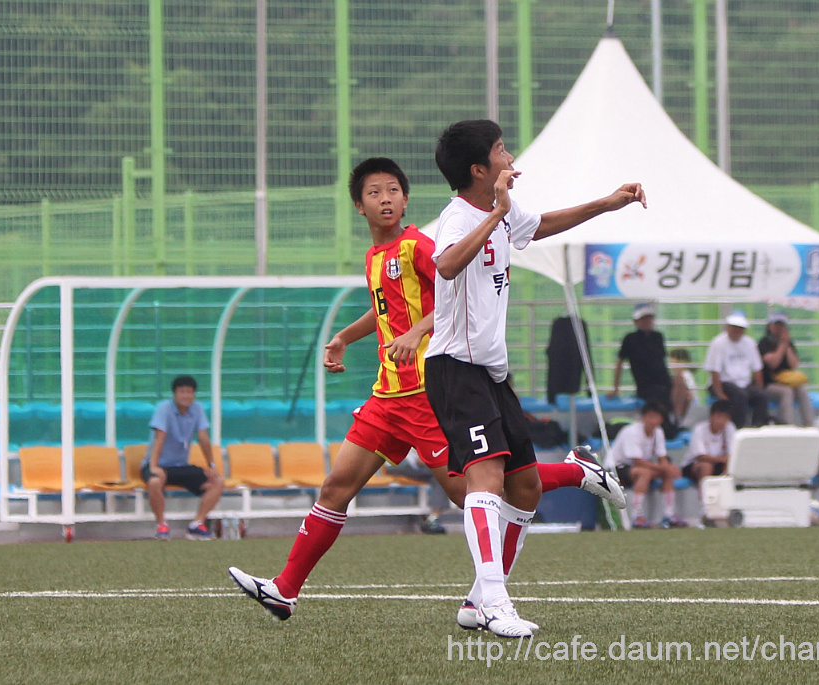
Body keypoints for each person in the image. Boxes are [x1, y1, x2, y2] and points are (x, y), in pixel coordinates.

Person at [227, 157, 626, 625]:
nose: (385, 199)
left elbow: (452, 300)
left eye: (393, 190)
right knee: (336, 487)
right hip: (386, 398)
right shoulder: (375, 257)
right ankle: (285, 590)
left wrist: (416, 332)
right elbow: (384, 310)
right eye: (374, 193)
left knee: (471, 491)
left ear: (406, 199)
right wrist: (344, 337)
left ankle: (575, 471)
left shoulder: (419, 247)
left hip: (426, 392)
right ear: (359, 206)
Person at [424, 119, 645, 638]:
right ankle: (497, 604)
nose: (511, 157)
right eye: (502, 150)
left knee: (524, 487)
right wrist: (497, 213)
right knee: (485, 480)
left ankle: (479, 601)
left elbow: (538, 225)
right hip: (455, 368)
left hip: (492, 372)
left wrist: (605, 203)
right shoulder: (459, 216)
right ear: (479, 170)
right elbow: (447, 265)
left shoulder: (502, 211)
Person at [142, 375, 223, 541]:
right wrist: (154, 466)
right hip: (159, 464)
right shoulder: (164, 408)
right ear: (175, 394)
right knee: (155, 481)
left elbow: (203, 437)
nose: (185, 395)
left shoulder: (197, 408)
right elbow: (159, 437)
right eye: (182, 392)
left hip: (181, 465)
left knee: (217, 481)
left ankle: (197, 524)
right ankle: (161, 525)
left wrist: (211, 465)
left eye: (189, 392)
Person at [607, 402, 686, 529]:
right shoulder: (632, 432)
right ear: (643, 417)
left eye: (657, 417)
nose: (653, 421)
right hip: (617, 468)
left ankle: (669, 514)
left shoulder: (658, 432)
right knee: (644, 473)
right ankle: (637, 515)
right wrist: (665, 468)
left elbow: (662, 457)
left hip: (637, 467)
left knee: (667, 473)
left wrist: (668, 469)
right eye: (650, 417)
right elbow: (637, 461)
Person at [704, 310, 769, 428]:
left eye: (740, 328)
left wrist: (758, 389)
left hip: (744, 383)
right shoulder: (718, 343)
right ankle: (739, 427)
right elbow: (714, 371)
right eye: (734, 327)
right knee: (740, 396)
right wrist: (720, 394)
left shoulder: (750, 343)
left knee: (762, 396)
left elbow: (757, 369)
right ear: (727, 327)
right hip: (724, 382)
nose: (736, 331)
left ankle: (758, 426)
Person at [609, 301, 671, 408]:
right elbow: (619, 363)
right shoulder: (630, 339)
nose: (647, 321)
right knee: (660, 397)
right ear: (635, 321)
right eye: (643, 318)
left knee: (680, 385)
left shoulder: (658, 337)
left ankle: (677, 417)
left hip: (664, 381)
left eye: (649, 318)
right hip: (646, 386)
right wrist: (616, 388)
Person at [758, 310, 814, 426]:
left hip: (786, 382)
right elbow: (773, 363)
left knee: (802, 391)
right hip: (770, 385)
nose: (779, 328)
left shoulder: (789, 344)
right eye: (776, 325)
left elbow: (794, 364)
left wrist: (787, 345)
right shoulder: (763, 343)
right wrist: (782, 345)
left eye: (782, 325)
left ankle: (809, 425)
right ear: (770, 326)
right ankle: (788, 425)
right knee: (787, 392)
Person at [681, 399, 736, 497]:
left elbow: (732, 452)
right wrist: (722, 459)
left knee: (730, 466)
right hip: (695, 465)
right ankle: (704, 499)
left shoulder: (730, 428)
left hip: (718, 463)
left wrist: (726, 460)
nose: (722, 421)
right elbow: (701, 456)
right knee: (706, 466)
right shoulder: (699, 429)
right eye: (719, 417)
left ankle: (728, 497)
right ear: (711, 416)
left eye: (725, 418)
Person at [669, 348, 700, 428]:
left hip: (687, 411)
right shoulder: (682, 376)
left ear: (682, 361)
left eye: (672, 361)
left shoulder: (685, 376)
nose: (670, 364)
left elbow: (690, 396)